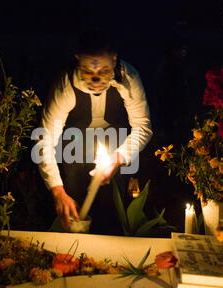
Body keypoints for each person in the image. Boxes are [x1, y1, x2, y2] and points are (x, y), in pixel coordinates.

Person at [37, 30, 153, 234]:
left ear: (115, 59)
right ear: (77, 60)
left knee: (112, 209)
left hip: (115, 142)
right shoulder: (65, 85)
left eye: (105, 70)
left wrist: (118, 158)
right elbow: (45, 140)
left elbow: (143, 127)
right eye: (88, 71)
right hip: (72, 145)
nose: (96, 80)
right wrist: (58, 191)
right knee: (73, 205)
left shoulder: (128, 77)